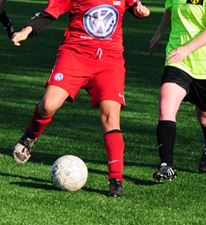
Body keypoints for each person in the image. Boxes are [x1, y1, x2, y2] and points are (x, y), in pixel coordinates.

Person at [10, 0, 150, 197]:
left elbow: (135, 5)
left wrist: (140, 10)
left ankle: (116, 180)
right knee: (49, 105)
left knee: (110, 117)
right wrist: (27, 30)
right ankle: (29, 137)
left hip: (109, 61)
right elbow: (50, 12)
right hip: (75, 55)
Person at [149, 0, 206, 181]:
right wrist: (158, 34)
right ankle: (166, 165)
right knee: (166, 106)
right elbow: (170, 9)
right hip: (178, 60)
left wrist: (188, 48)